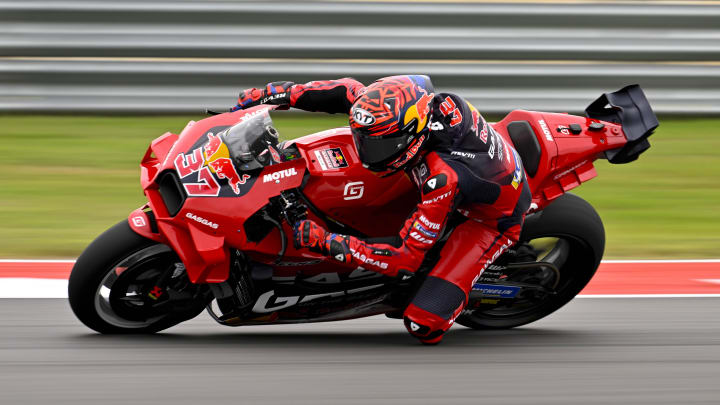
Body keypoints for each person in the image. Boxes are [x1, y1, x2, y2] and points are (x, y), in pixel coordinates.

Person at [233, 75, 531, 344]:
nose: (366, 150)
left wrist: (325, 241)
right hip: (471, 166)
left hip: (490, 219)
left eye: (379, 144)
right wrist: (272, 94)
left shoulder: (442, 178)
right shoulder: (400, 106)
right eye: (364, 138)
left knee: (423, 324)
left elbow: (404, 258)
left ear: (411, 135)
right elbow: (345, 90)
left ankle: (474, 283)